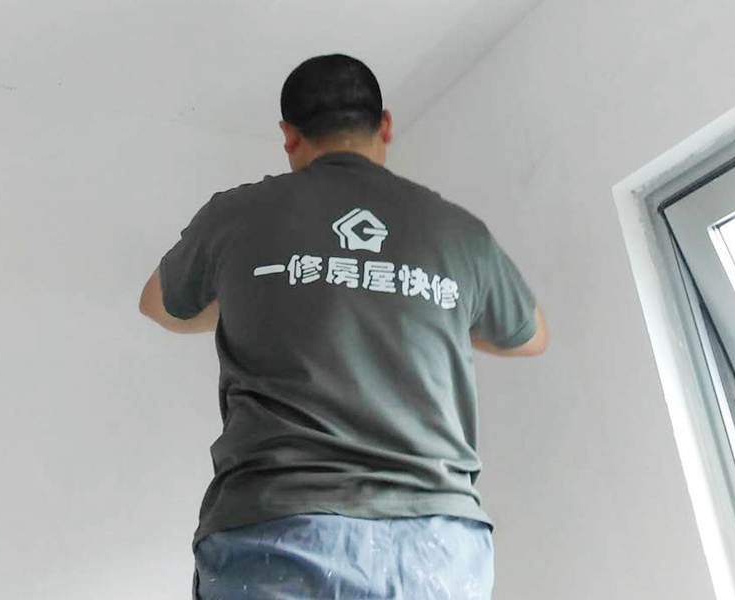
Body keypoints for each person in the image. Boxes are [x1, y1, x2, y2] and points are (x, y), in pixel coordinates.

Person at [139, 53, 548, 600]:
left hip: (275, 529)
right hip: (436, 544)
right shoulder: (457, 231)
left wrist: (260, 292)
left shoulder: (237, 215)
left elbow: (159, 305)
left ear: (289, 135)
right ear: (386, 125)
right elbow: (530, 334)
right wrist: (416, 302)